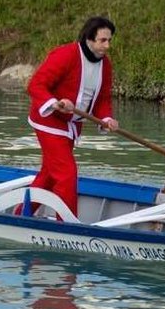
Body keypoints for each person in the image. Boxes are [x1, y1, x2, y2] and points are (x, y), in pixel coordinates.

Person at [25, 16, 118, 219]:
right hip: (48, 122)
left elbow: (102, 99)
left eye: (109, 40)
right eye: (103, 40)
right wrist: (55, 103)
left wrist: (107, 118)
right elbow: (35, 85)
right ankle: (66, 224)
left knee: (50, 175)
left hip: (71, 126)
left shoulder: (106, 65)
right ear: (89, 39)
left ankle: (20, 216)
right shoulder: (66, 55)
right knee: (66, 174)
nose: (107, 46)